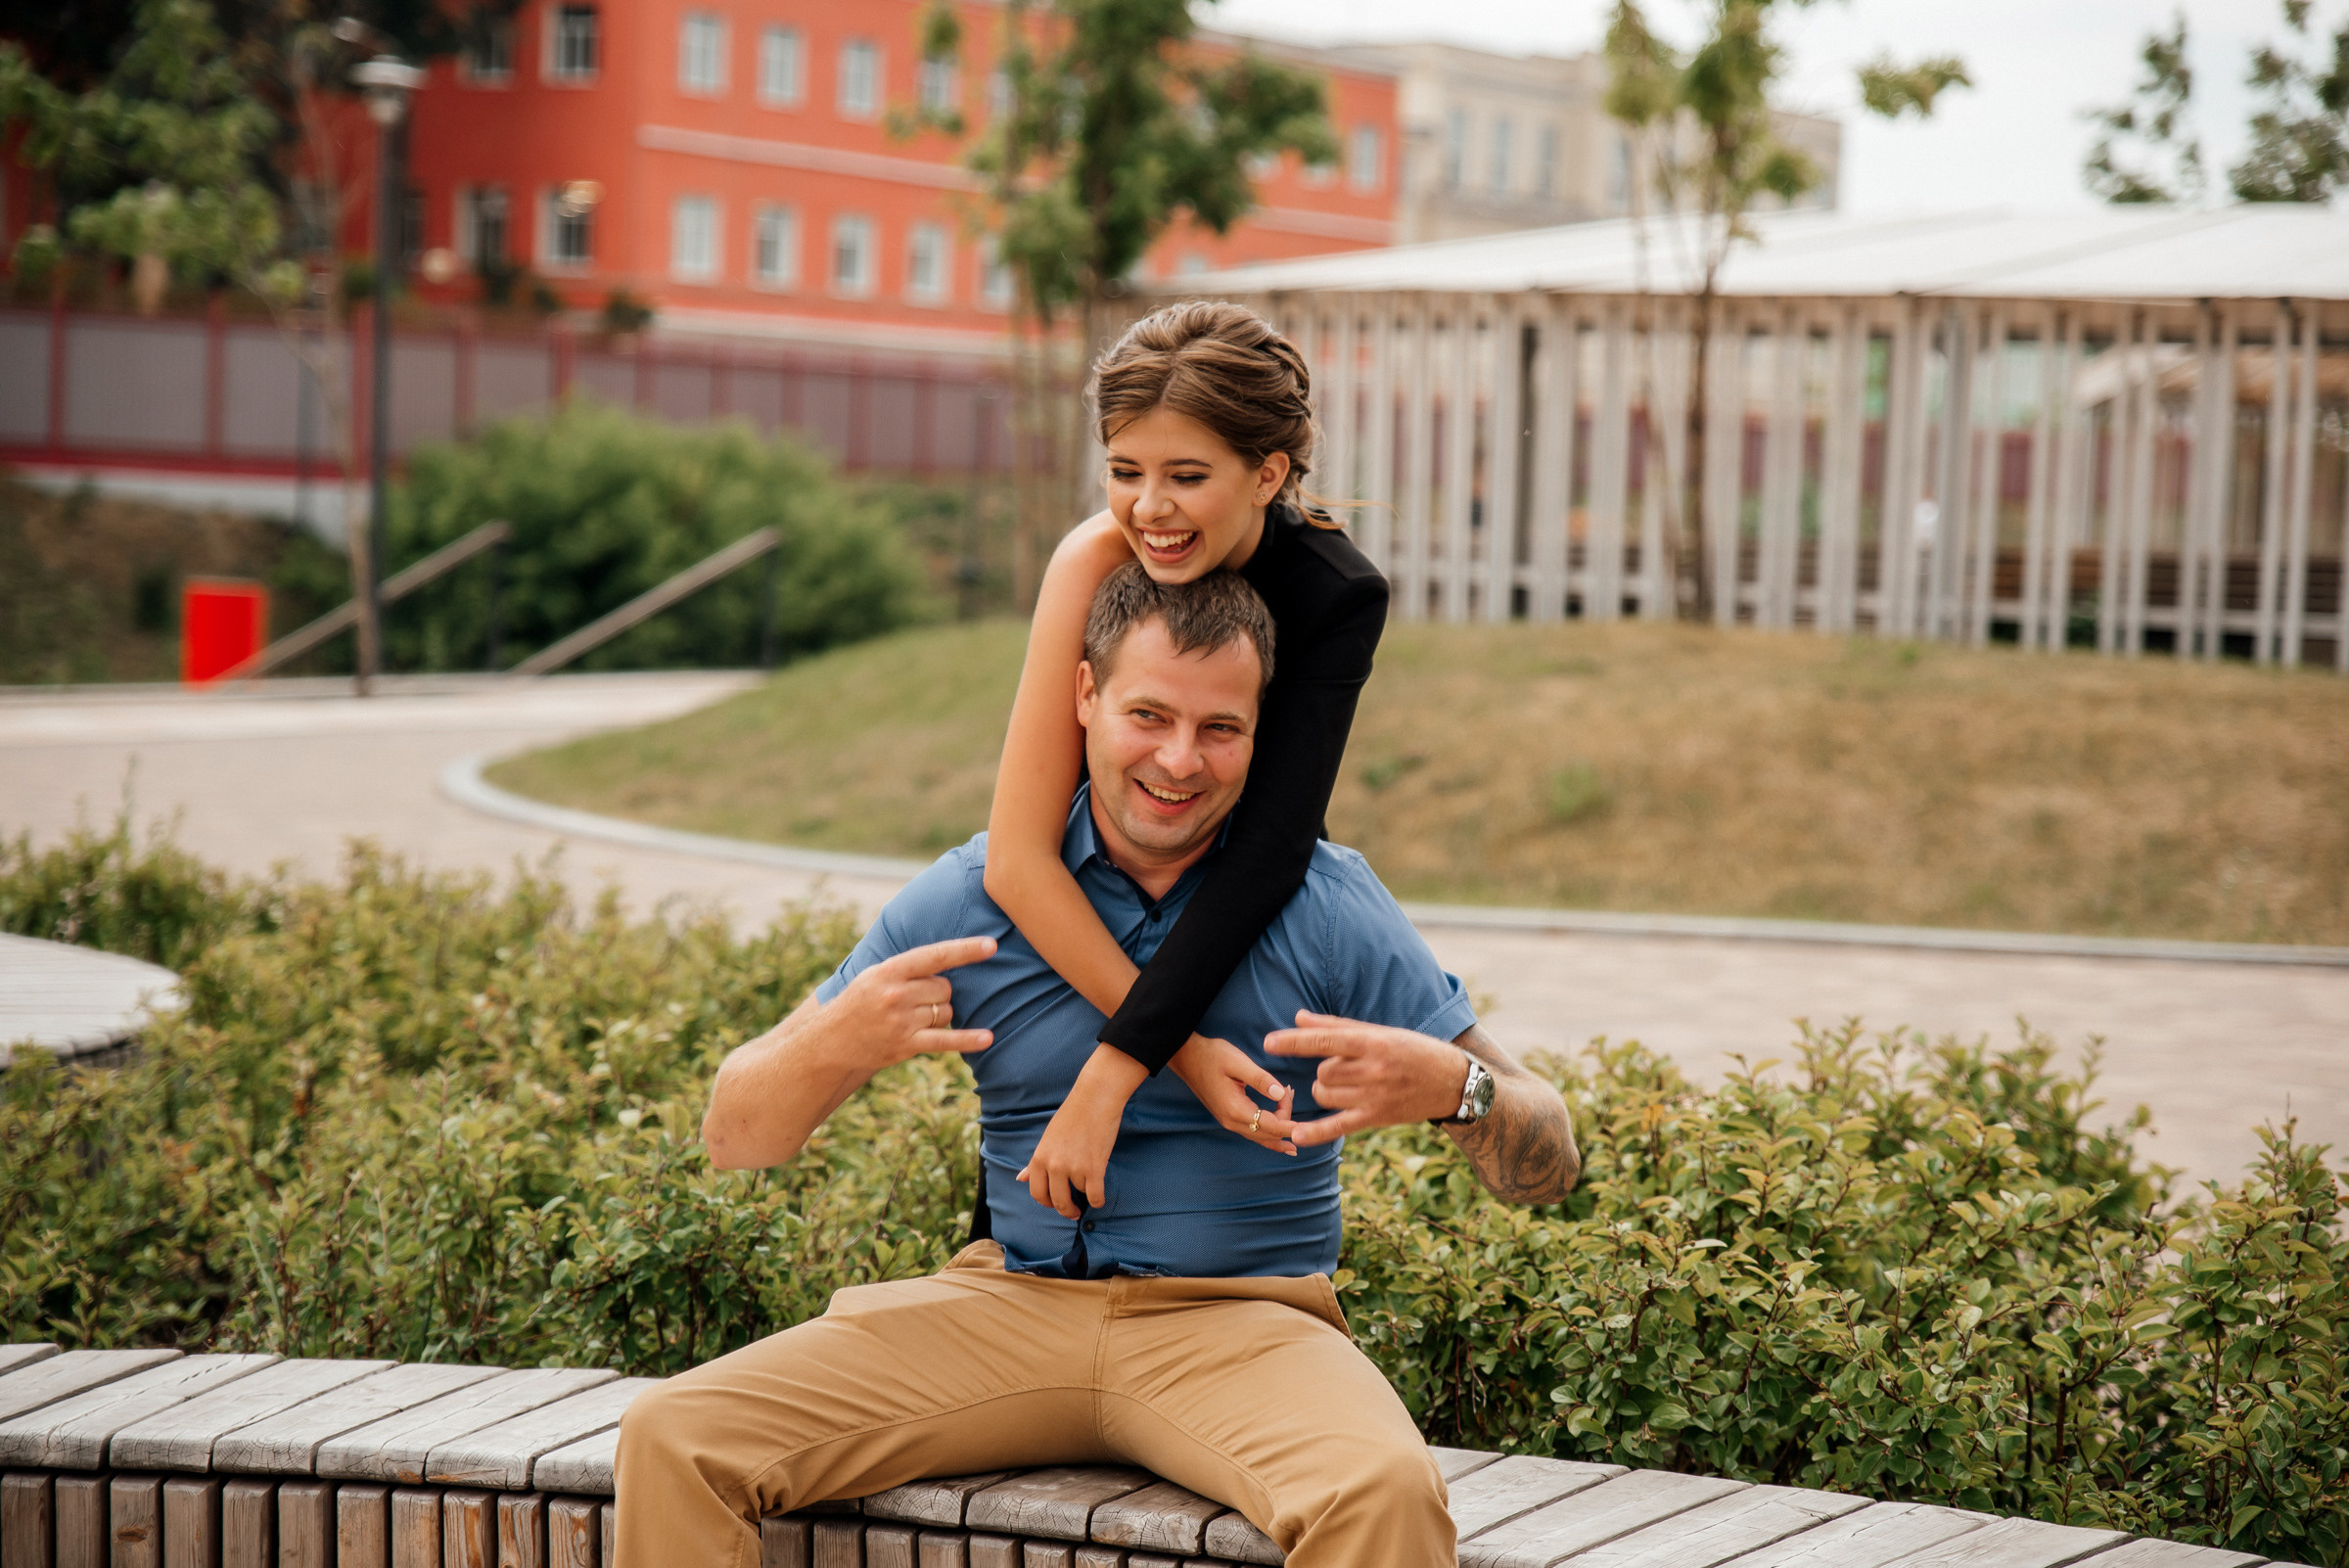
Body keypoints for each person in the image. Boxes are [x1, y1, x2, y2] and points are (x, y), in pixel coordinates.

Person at [616, 566, 1580, 1568]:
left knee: (1382, 1496)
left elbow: (1550, 1159)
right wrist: (841, 1035)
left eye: (1220, 729)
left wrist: (1454, 1090)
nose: (1179, 760)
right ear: (1084, 697)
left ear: (1263, 733)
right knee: (675, 1438)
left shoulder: (1326, 906)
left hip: (1240, 1323)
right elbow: (736, 1138)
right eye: (1148, 714)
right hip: (1009, 1307)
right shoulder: (980, 893)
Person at [985, 300, 1389, 1226]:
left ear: (1267, 473)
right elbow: (1015, 859)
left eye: (1187, 475)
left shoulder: (1335, 594)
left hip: (1232, 925)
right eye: (1125, 472)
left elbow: (1270, 849)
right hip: (1084, 922)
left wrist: (1124, 1063)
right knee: (1032, 1219)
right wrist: (1171, 1056)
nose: (1148, 508)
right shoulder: (1093, 557)